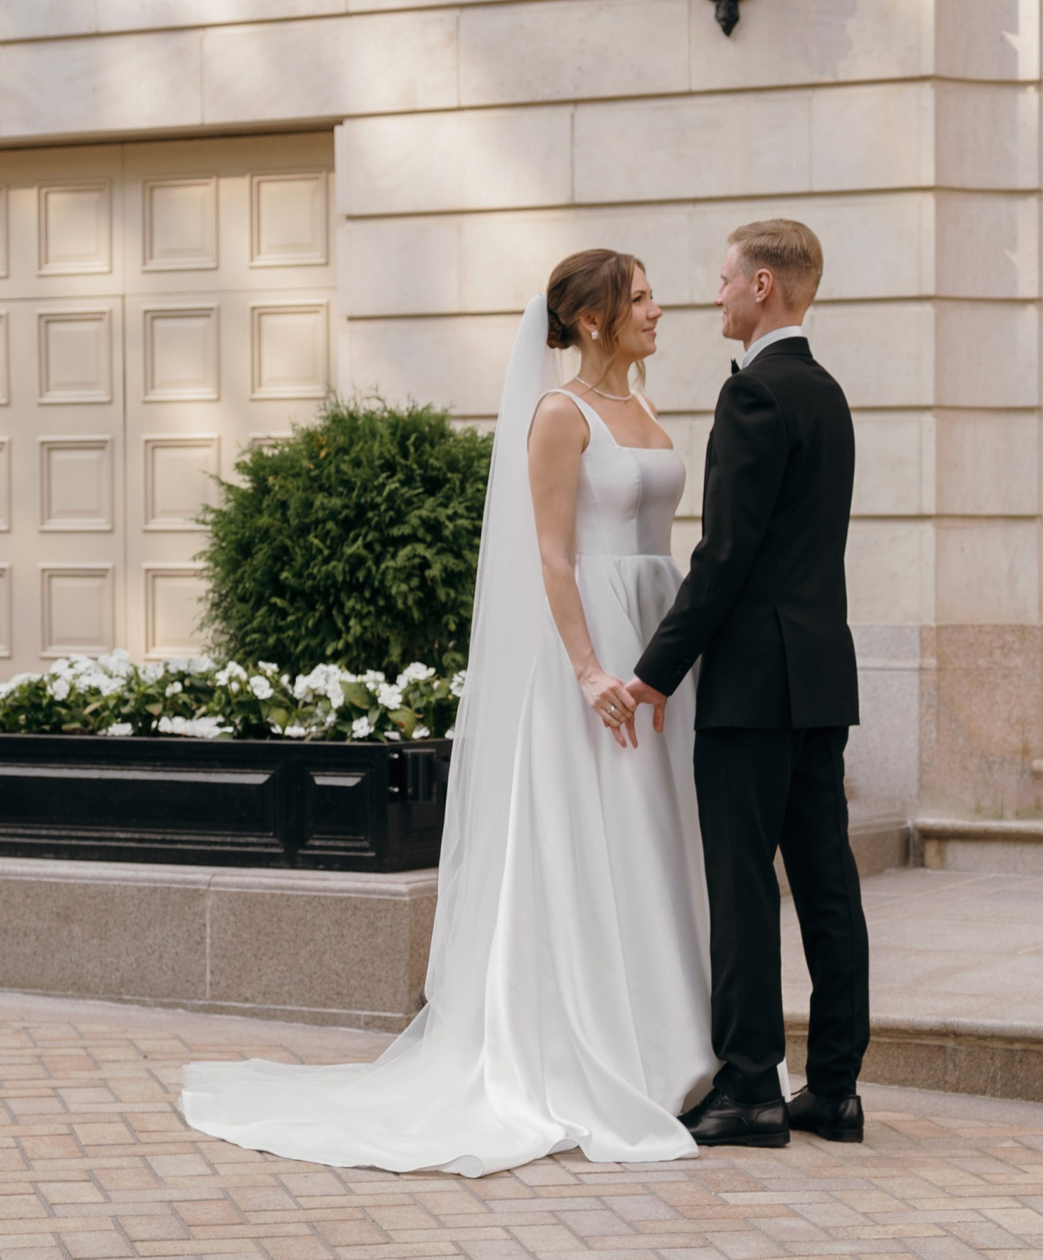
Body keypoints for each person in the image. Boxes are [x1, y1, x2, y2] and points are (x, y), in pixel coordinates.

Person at [178, 251, 715, 1176]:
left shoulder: (649, 407)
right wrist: (588, 670)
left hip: (657, 639)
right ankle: (606, 1049)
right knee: (598, 837)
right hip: (592, 646)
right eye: (639, 297)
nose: (658, 309)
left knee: (660, 839)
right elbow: (551, 555)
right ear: (592, 320)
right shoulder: (560, 415)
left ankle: (676, 1036)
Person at [626, 218, 872, 1149]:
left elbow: (723, 557)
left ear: (764, 285)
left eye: (726, 279)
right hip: (818, 677)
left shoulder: (756, 397)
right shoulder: (830, 393)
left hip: (753, 687)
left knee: (741, 885)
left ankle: (751, 1087)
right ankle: (837, 1090)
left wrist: (655, 672)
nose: (715, 294)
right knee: (826, 885)